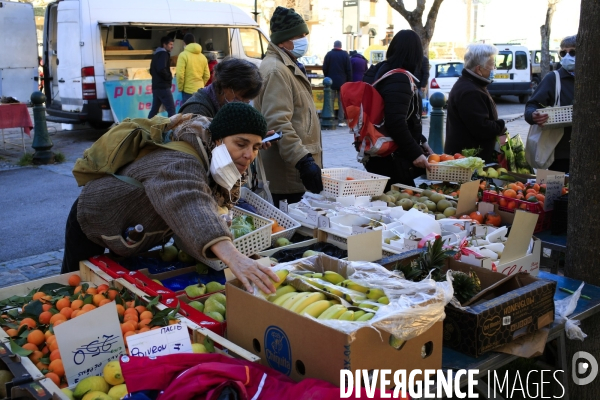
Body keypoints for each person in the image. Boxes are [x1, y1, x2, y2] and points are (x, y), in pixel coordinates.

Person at [61, 103, 279, 294]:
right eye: (241, 144)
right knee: (75, 291)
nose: (249, 155)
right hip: (94, 218)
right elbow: (190, 202)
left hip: (133, 230)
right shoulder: (180, 161)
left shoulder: (210, 153)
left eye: (256, 147)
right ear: (219, 140)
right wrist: (234, 257)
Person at [254, 6, 323, 207]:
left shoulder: (287, 65)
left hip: (293, 172)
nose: (304, 40)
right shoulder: (277, 70)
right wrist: (304, 161)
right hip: (289, 174)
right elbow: (277, 122)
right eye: (300, 35)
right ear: (284, 39)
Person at [364, 30, 432, 190]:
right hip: (391, 157)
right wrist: (415, 153)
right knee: (403, 205)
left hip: (377, 150)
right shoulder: (399, 78)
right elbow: (395, 121)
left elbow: (402, 116)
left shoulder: (378, 71)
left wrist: (421, 141)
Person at [444, 43, 506, 163]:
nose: (494, 69)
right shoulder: (471, 91)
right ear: (479, 69)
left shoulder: (472, 84)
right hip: (467, 161)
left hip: (468, 158)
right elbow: (481, 128)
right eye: (492, 65)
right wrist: (501, 125)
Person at [524, 35, 576, 173]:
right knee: (554, 193)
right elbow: (532, 105)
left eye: (573, 52)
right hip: (558, 154)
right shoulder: (553, 78)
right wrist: (533, 116)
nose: (567, 56)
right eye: (563, 53)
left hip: (589, 152)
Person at [179, 57, 263, 118]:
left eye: (246, 102)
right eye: (237, 98)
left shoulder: (222, 106)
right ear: (224, 85)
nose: (241, 104)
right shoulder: (197, 111)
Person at [323, 40, 352, 126]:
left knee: (330, 101)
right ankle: (341, 120)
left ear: (334, 45)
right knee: (341, 102)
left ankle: (330, 119)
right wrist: (349, 81)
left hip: (330, 81)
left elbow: (324, 68)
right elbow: (349, 69)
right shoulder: (345, 55)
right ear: (341, 46)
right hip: (342, 81)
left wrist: (327, 76)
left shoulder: (329, 54)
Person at [176, 33, 210, 105]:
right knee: (199, 114)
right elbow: (207, 75)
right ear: (194, 41)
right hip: (200, 91)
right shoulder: (203, 57)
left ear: (184, 43)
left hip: (188, 91)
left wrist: (180, 87)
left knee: (188, 114)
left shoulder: (183, 55)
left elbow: (180, 74)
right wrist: (201, 84)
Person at [148, 36, 176, 118]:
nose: (172, 46)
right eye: (170, 44)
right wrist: (168, 77)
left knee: (154, 109)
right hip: (163, 87)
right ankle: (172, 129)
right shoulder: (164, 54)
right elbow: (161, 69)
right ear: (164, 45)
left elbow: (151, 70)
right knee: (171, 109)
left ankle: (147, 125)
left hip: (156, 86)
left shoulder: (156, 54)